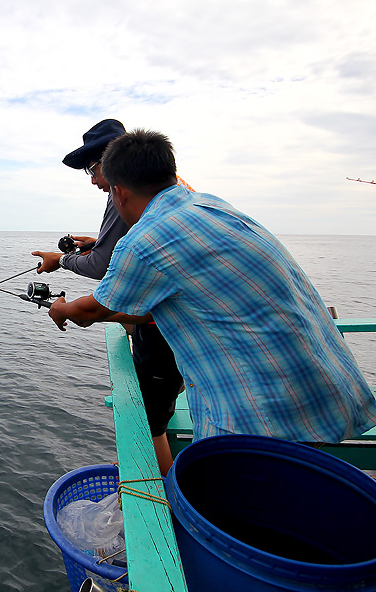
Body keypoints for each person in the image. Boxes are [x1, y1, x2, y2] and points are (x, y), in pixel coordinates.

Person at [49, 129, 376, 444]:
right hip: (330, 386)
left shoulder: (141, 242)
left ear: (118, 192)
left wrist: (61, 308)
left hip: (264, 417)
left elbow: (92, 310)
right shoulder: (211, 205)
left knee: (230, 493)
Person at [32, 119, 184, 475]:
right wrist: (93, 248)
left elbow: (102, 286)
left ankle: (161, 495)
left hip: (170, 343)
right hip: (189, 337)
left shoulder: (128, 202)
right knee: (156, 413)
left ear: (114, 164)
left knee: (149, 427)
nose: (94, 181)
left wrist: (65, 300)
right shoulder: (184, 199)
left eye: (92, 169)